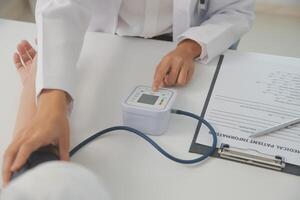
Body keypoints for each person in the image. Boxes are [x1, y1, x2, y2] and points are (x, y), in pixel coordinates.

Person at [2, 0, 255, 185]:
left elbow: (235, 10)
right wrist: (51, 102)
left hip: (184, 41)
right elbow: (62, 5)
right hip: (100, 37)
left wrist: (191, 47)